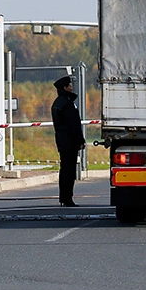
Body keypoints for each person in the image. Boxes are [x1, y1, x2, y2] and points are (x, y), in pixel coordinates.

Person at [50, 75, 86, 207]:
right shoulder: (67, 104)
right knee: (69, 171)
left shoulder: (58, 103)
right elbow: (74, 124)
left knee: (65, 169)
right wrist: (80, 140)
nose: (72, 87)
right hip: (70, 141)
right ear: (65, 88)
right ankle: (67, 198)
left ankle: (63, 197)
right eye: (70, 85)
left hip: (62, 141)